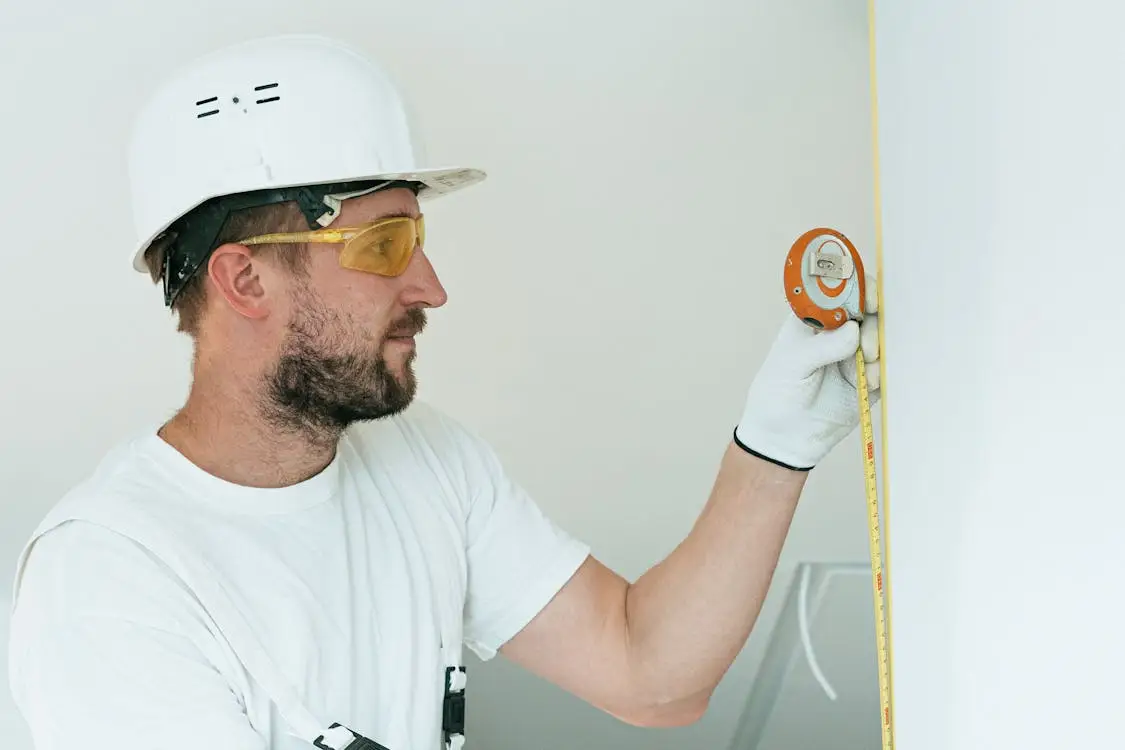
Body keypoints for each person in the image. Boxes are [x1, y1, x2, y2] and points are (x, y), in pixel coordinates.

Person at [6, 33, 880, 750]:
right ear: (245, 281)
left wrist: (774, 449)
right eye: (384, 245)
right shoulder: (113, 580)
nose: (429, 286)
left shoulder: (424, 462)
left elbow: (650, 677)